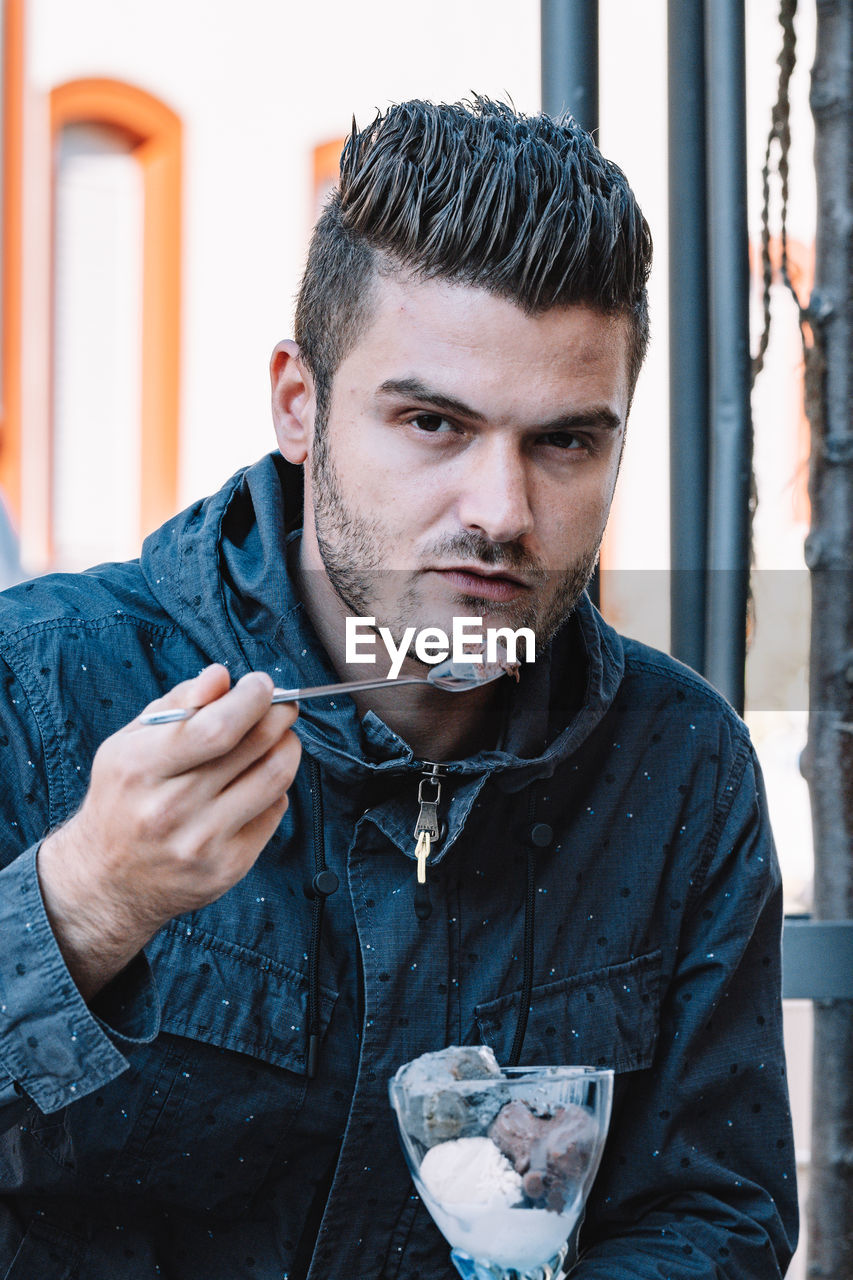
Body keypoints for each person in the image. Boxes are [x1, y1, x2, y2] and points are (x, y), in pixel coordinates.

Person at [0, 98, 797, 1279]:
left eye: (565, 443)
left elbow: (715, 1209)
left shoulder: (678, 762)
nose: (499, 510)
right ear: (297, 401)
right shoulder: (41, 678)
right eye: (433, 422)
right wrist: (87, 900)